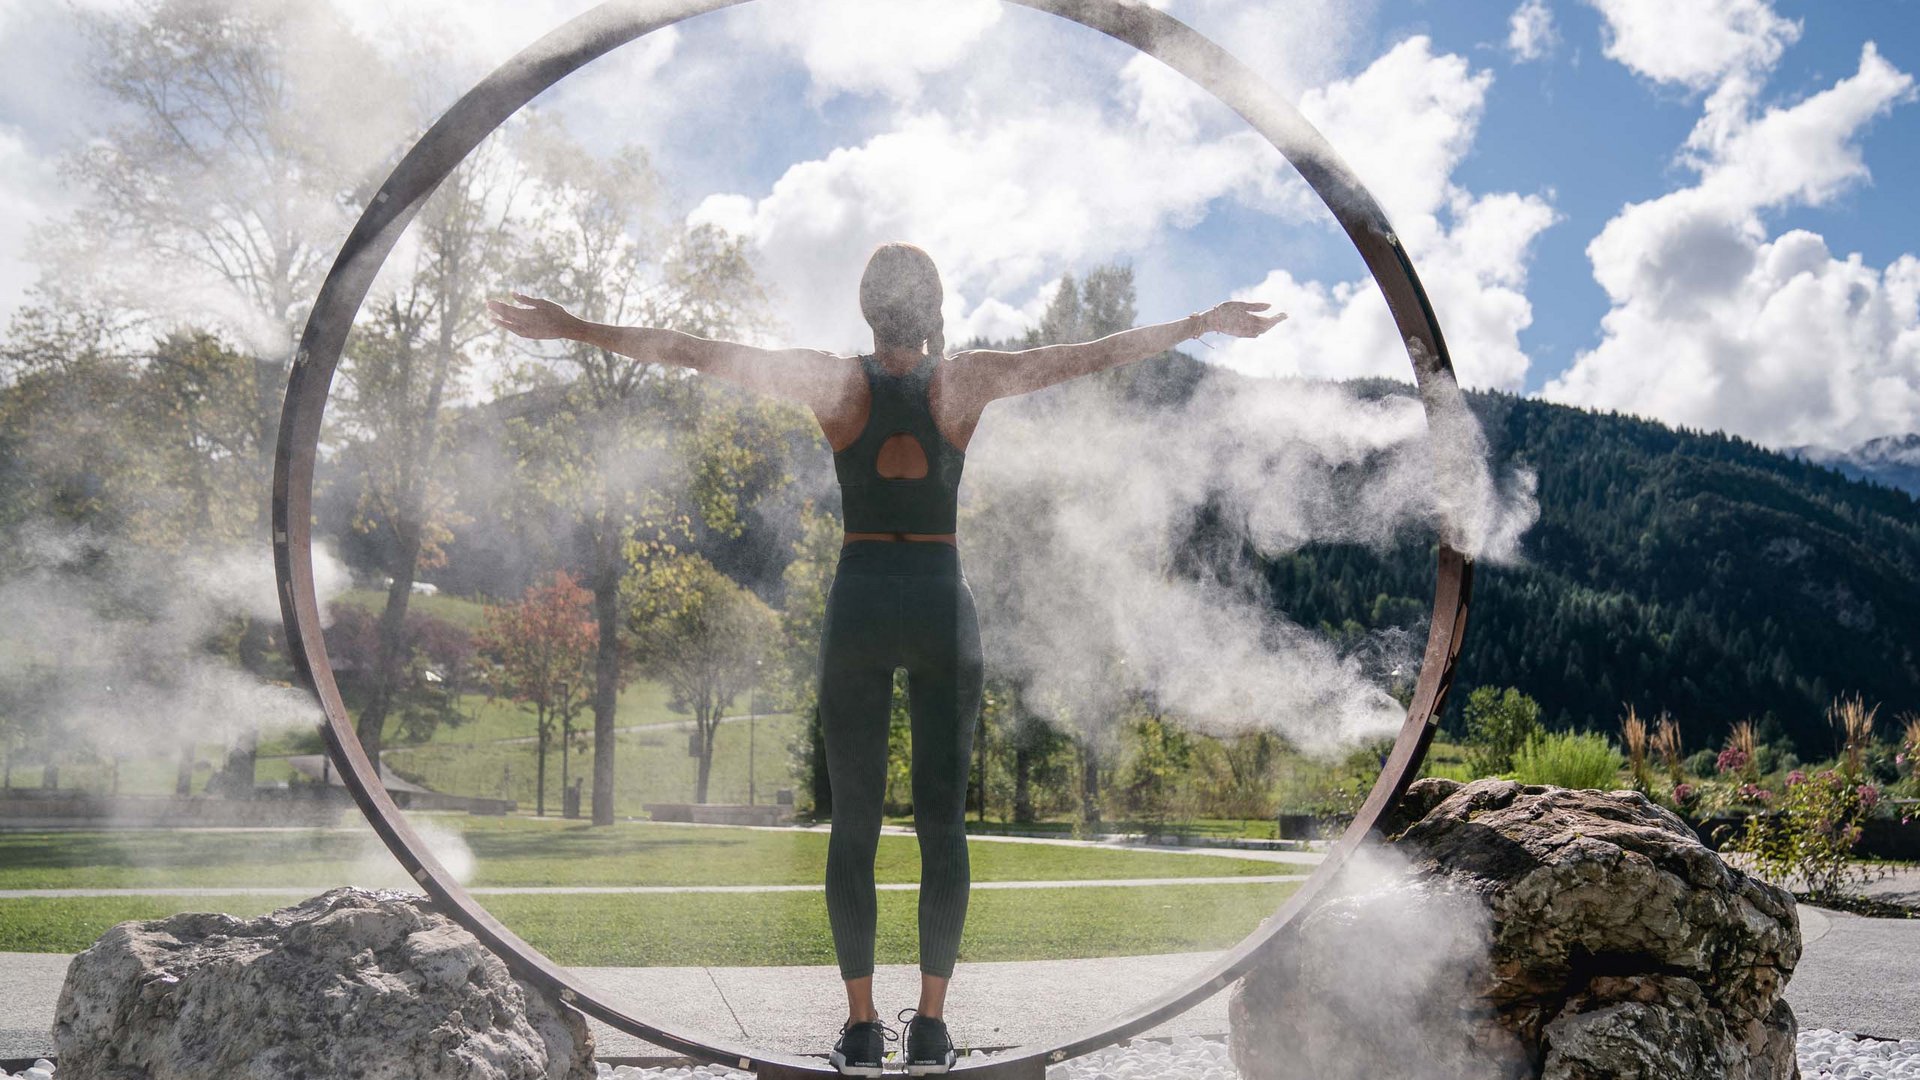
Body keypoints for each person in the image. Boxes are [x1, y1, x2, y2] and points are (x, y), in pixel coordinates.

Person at [488, 242, 1286, 1075]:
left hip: (862, 599)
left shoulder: (834, 384)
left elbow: (693, 350)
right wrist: (1201, 323)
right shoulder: (965, 382)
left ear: (868, 310)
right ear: (934, 308)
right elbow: (1087, 357)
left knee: (855, 828)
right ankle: (932, 1029)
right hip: (943, 603)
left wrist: (575, 327)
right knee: (944, 828)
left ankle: (863, 1028)